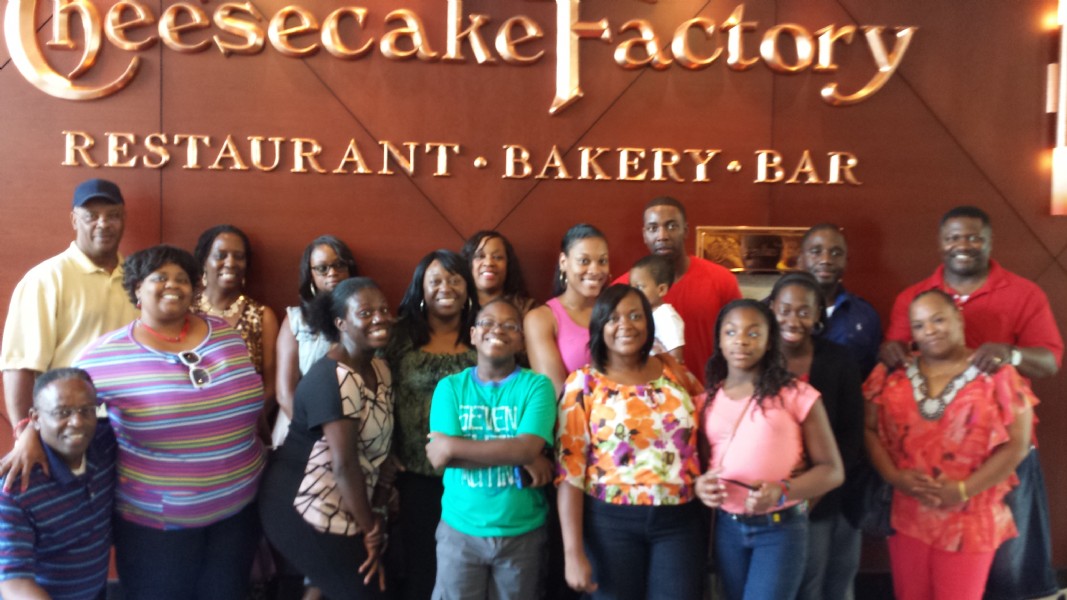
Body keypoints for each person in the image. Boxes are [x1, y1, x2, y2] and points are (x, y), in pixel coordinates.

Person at [38, 244, 264, 600]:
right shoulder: (105, 355)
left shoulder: (226, 334)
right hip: (157, 527)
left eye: (182, 279)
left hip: (238, 513)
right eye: (159, 278)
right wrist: (28, 435)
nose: (172, 285)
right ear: (137, 289)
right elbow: (59, 406)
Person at [879, 206, 1062, 600]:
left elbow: (1050, 361)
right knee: (923, 573)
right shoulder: (913, 297)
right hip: (927, 460)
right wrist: (890, 350)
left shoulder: (1023, 293)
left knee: (1010, 566)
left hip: (1002, 450)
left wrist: (1011, 354)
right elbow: (898, 357)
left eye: (973, 237)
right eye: (953, 237)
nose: (963, 245)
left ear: (990, 241)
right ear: (940, 243)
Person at [865, 290, 1034, 600]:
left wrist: (963, 490)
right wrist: (893, 476)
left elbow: (1018, 444)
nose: (929, 331)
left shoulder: (997, 374)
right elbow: (869, 428)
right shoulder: (892, 373)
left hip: (970, 516)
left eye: (938, 320)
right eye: (919, 326)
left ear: (958, 318)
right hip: (909, 511)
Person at [556, 284, 706, 600]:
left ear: (649, 324)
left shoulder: (675, 374)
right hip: (610, 524)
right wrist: (572, 552)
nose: (625, 325)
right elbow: (570, 472)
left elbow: (713, 429)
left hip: (679, 522)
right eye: (613, 318)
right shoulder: (583, 384)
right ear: (599, 326)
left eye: (635, 316)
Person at [695, 299, 844, 600]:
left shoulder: (796, 395)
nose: (741, 340)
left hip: (780, 529)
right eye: (731, 332)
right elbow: (701, 468)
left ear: (769, 341)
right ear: (719, 341)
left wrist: (783, 490)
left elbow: (832, 471)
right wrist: (701, 487)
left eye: (753, 333)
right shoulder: (704, 402)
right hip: (727, 528)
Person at [260, 277, 394, 600]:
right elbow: (344, 464)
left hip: (345, 496)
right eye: (365, 313)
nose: (379, 318)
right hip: (302, 501)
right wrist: (370, 530)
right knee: (365, 591)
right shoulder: (331, 378)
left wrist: (380, 502)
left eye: (383, 310)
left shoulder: (380, 369)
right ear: (340, 323)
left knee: (331, 585)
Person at [426, 299, 556, 600]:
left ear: (521, 340)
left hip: (522, 532)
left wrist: (453, 445)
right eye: (487, 323)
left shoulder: (537, 387)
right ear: (473, 334)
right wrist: (518, 454)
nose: (497, 330)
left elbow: (526, 448)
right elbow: (441, 459)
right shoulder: (450, 387)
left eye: (510, 326)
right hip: (460, 531)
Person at [1, 178, 138, 425]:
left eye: (113, 215)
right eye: (91, 216)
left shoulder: (139, 279)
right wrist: (23, 430)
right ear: (74, 220)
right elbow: (20, 365)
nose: (103, 223)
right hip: (69, 424)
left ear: (124, 219)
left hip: (131, 422)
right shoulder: (45, 279)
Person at [765, 273, 865, 600]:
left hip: (824, 498)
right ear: (771, 308)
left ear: (818, 315)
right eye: (785, 310)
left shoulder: (839, 360)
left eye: (804, 312)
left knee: (813, 585)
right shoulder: (755, 358)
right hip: (764, 498)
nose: (793, 320)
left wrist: (815, 490)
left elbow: (851, 433)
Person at [386, 250, 478, 600]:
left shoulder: (482, 331)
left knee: (467, 567)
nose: (446, 288)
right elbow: (378, 393)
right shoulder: (399, 336)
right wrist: (386, 452)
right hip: (414, 473)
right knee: (422, 565)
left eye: (455, 279)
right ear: (420, 288)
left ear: (467, 288)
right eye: (435, 280)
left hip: (473, 472)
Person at [0, 368, 115, 600]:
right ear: (35, 419)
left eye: (86, 410)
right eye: (62, 412)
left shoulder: (105, 446)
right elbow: (13, 581)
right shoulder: (15, 487)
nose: (77, 422)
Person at [615, 197, 741, 384]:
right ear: (644, 235)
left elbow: (740, 339)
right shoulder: (621, 289)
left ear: (686, 230)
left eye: (671, 226)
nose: (662, 235)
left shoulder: (721, 280)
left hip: (710, 392)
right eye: (653, 228)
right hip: (646, 395)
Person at [193, 225, 279, 444]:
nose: (231, 263)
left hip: (244, 431)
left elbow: (270, 387)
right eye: (221, 255)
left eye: (238, 257)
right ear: (203, 262)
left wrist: (242, 422)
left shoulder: (262, 316)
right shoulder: (186, 312)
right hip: (189, 428)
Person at [272, 235, 359, 448]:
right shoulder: (295, 320)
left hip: (356, 426)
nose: (332, 273)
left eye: (339, 265)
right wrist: (318, 436)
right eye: (322, 268)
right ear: (310, 275)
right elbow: (284, 393)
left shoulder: (363, 318)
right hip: (301, 426)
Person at [524, 224, 609, 393]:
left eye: (602, 261)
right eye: (584, 261)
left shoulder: (617, 309)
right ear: (563, 262)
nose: (595, 270)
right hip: (576, 409)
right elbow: (556, 394)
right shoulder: (541, 318)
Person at [796, 224, 882, 378]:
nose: (826, 260)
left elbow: (871, 376)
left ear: (846, 261)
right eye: (816, 252)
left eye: (836, 253)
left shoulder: (866, 316)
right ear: (800, 259)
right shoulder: (772, 312)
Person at [460, 230, 536, 316]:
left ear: (508, 264)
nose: (489, 263)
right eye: (480, 256)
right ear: (468, 263)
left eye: (497, 257)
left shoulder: (525, 309)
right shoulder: (458, 308)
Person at [629, 254, 685, 364]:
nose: (633, 292)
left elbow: (676, 359)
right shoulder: (643, 315)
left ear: (661, 290)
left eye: (639, 287)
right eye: (631, 287)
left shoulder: (666, 317)